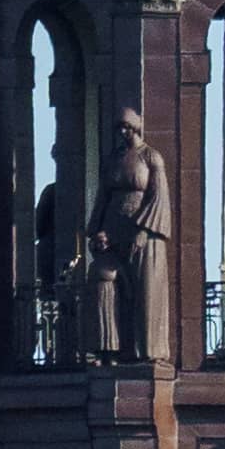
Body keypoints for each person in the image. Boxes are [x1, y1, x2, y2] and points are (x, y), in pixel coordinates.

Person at [87, 104, 175, 360]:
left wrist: (145, 231)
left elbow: (159, 198)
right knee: (105, 279)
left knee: (145, 290)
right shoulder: (114, 159)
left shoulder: (151, 157)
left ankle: (147, 351)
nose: (124, 132)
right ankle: (110, 350)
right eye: (120, 128)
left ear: (137, 127)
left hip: (143, 234)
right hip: (114, 230)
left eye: (128, 127)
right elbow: (102, 196)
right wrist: (98, 231)